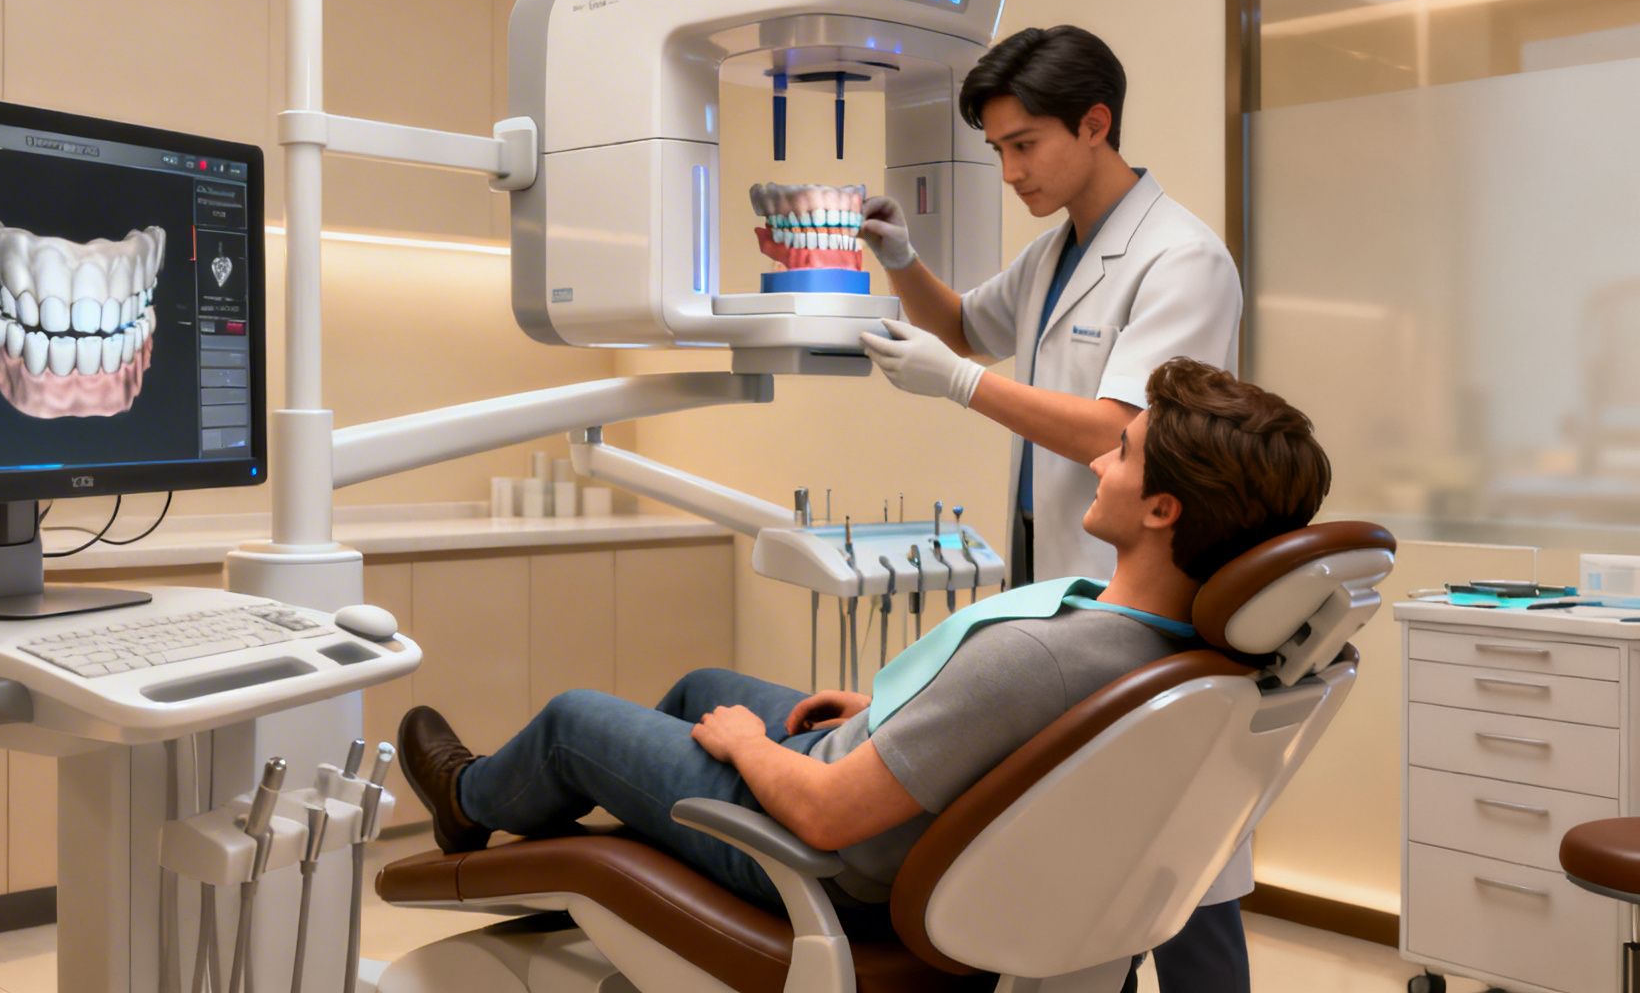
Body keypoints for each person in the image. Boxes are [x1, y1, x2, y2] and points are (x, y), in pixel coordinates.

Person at [396, 360, 1329, 986]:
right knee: (699, 687)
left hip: (823, 859)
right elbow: (1005, 739)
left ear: (1163, 509)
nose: (1097, 456)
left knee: (574, 722)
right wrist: (896, 709)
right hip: (888, 802)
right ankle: (608, 853)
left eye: (1121, 452)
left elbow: (829, 814)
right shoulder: (1169, 649)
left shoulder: (1045, 657)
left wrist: (748, 747)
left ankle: (468, 801)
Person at [854, 25, 1247, 988]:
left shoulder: (1180, 260)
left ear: (1095, 124)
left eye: (1024, 144)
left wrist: (958, 386)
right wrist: (900, 259)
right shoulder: (1056, 253)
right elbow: (962, 326)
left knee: (1179, 869)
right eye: (998, 149)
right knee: (1098, 865)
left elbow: (1122, 431)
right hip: (1065, 588)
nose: (1010, 171)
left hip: (1144, 596)